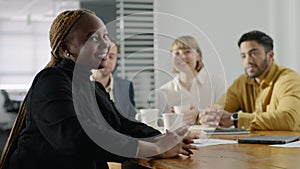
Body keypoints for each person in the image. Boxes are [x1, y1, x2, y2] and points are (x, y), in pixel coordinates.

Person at [3, 9, 198, 169]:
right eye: (93, 38)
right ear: (65, 48)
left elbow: (122, 125)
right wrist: (152, 149)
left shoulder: (92, 87)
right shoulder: (51, 81)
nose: (105, 43)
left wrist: (163, 138)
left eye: (105, 36)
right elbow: (75, 138)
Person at [200, 30, 300, 131]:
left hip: (290, 145)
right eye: (243, 56)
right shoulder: (241, 82)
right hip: (255, 145)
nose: (248, 61)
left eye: (254, 54)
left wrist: (236, 119)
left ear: (270, 55)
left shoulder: (289, 80)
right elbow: (221, 108)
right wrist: (210, 115)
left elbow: (288, 120)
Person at [157, 35, 225, 125]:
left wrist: (199, 114)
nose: (182, 57)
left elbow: (224, 116)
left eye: (187, 52)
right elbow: (160, 126)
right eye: (177, 53)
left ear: (198, 56)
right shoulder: (164, 91)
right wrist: (168, 119)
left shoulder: (216, 83)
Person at [90, 37, 136, 120]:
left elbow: (132, 120)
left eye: (111, 56)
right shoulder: (77, 86)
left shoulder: (126, 87)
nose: (106, 60)